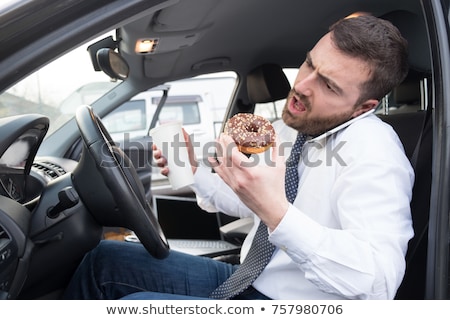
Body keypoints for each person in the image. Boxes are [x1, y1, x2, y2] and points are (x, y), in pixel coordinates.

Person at [63, 14, 414, 300]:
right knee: (105, 260)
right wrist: (195, 169)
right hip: (245, 278)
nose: (303, 86)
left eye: (329, 86)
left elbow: (378, 283)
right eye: (310, 65)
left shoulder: (375, 154)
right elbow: (249, 199)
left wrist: (277, 213)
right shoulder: (297, 127)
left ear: (363, 107)